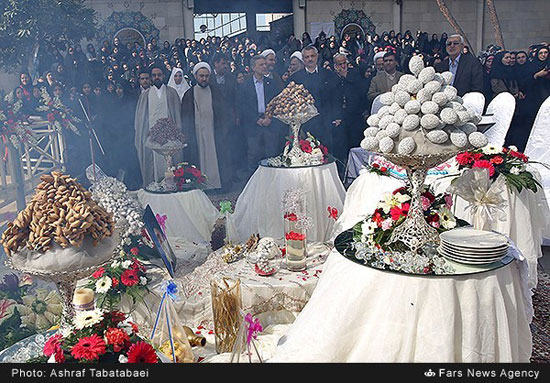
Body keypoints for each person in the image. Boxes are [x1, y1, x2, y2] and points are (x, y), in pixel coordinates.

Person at [181, 62, 232, 191]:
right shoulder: (189, 94)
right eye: (201, 76)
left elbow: (223, 114)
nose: (204, 79)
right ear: (195, 76)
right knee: (199, 158)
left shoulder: (216, 92)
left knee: (215, 158)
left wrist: (222, 132)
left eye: (206, 76)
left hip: (214, 131)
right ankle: (200, 184)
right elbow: (185, 117)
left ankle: (216, 185)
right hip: (196, 133)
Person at [134, 64, 184, 187]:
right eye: (154, 75)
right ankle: (154, 186)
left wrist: (176, 132)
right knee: (153, 165)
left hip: (170, 136)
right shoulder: (145, 95)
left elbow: (177, 115)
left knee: (170, 163)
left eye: (159, 75)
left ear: (164, 76)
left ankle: (172, 186)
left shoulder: (171, 93)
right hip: (152, 137)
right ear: (151, 77)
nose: (157, 77)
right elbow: (140, 120)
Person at [238, 55, 282, 173]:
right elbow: (243, 106)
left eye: (265, 64)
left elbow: (276, 103)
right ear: (253, 67)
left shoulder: (272, 84)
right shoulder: (244, 86)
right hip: (253, 124)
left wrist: (269, 117)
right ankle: (254, 183)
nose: (264, 67)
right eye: (261, 65)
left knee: (271, 153)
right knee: (254, 154)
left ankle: (272, 180)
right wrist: (256, 119)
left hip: (270, 123)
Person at [289, 45, 338, 148]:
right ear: (303, 59)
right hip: (304, 122)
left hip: (325, 120)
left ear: (317, 57)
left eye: (312, 56)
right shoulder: (295, 78)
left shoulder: (329, 75)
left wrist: (337, 116)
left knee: (326, 151)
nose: (310, 59)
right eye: (307, 57)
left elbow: (336, 96)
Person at [331, 53, 368, 175]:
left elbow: (360, 92)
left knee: (355, 147)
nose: (343, 66)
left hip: (354, 118)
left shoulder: (354, 74)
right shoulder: (332, 77)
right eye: (339, 64)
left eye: (344, 63)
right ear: (335, 65)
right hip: (339, 119)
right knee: (340, 150)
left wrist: (346, 76)